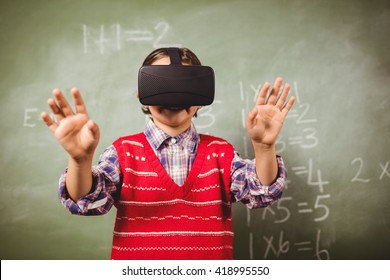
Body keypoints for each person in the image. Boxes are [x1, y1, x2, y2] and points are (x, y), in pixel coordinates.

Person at [41, 47, 295, 260]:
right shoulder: (124, 152)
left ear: (201, 95)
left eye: (185, 85)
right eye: (161, 84)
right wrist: (80, 160)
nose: (174, 95)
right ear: (142, 94)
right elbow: (87, 200)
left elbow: (261, 192)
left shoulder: (221, 153)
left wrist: (264, 147)